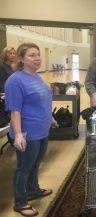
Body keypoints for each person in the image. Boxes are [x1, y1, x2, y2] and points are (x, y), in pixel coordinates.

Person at [5, 42, 58, 216]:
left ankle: (33, 190)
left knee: (36, 164)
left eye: (38, 54)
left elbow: (43, 99)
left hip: (42, 130)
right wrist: (18, 134)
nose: (37, 58)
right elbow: (15, 110)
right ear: (21, 59)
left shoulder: (36, 76)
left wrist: (50, 117)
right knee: (24, 168)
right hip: (28, 133)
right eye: (32, 55)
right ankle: (20, 202)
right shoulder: (15, 80)